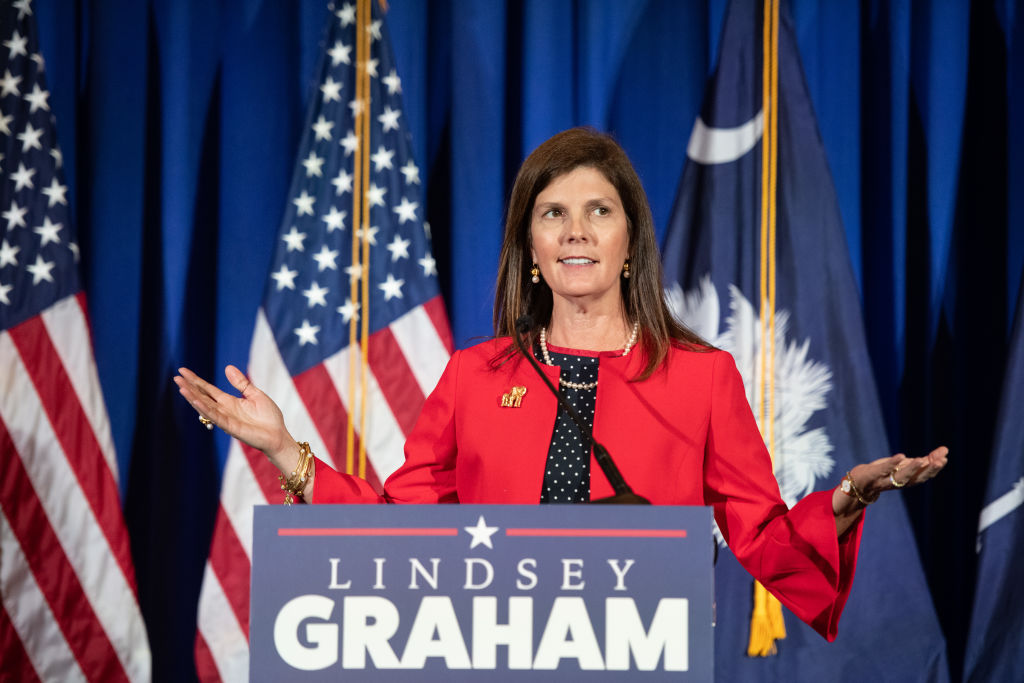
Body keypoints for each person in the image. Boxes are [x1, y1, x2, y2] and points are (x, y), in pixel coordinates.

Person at [175, 127, 947, 640]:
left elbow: (765, 538)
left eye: (598, 210)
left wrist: (851, 494)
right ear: (532, 248)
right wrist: (284, 448)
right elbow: (398, 529)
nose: (576, 229)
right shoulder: (475, 377)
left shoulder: (702, 378)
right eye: (553, 214)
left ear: (629, 241)